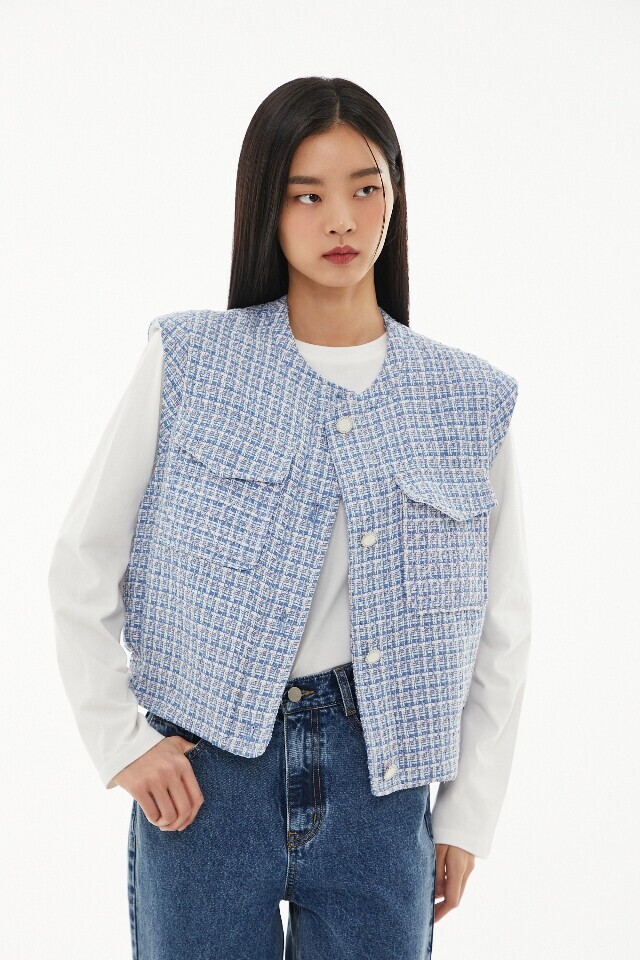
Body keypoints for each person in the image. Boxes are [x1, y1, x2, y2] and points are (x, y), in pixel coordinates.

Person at [47, 76, 532, 960]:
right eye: (308, 195)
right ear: (265, 205)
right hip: (205, 783)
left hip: (383, 789)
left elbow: (503, 623)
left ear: (395, 197)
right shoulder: (190, 360)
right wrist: (121, 743)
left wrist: (468, 815)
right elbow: (83, 562)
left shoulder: (468, 399)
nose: (341, 219)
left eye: (365, 188)